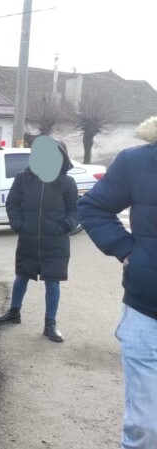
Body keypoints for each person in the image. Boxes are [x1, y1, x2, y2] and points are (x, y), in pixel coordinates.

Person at [78, 116, 157, 448]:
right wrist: (129, 253)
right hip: (147, 311)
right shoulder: (136, 161)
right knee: (147, 426)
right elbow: (93, 208)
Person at [0, 141, 78, 343]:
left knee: (52, 283)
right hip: (28, 238)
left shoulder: (67, 182)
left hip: (55, 241)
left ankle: (50, 325)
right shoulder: (24, 178)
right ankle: (14, 313)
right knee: (21, 277)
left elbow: (75, 211)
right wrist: (19, 225)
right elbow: (12, 203)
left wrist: (64, 226)